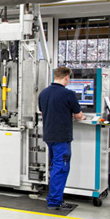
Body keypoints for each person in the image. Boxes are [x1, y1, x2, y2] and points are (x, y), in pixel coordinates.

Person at [38, 66, 86, 211]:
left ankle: (54, 197)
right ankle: (54, 201)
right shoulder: (68, 94)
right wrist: (80, 117)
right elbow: (79, 115)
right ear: (66, 77)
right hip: (61, 137)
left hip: (49, 135)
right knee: (61, 168)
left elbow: (44, 111)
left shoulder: (43, 93)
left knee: (55, 167)